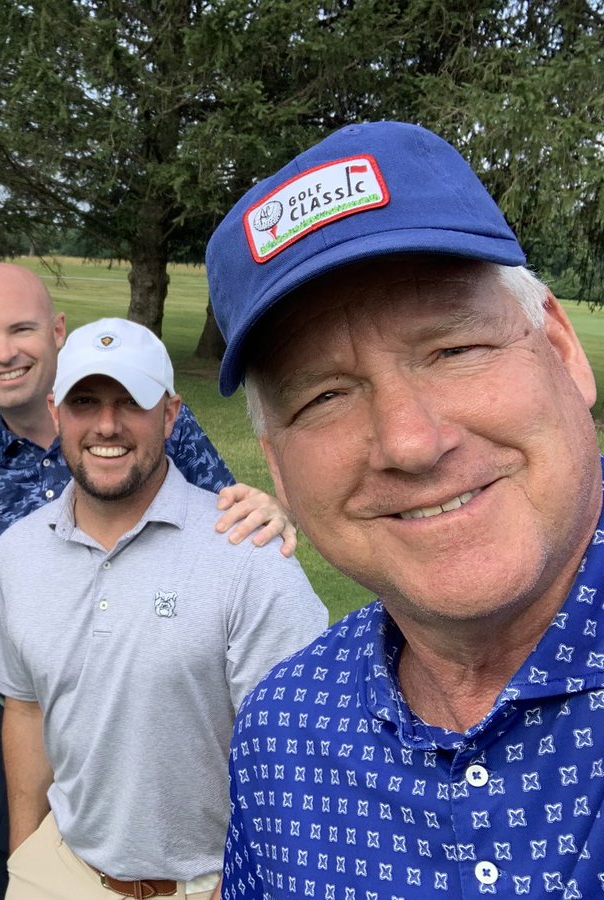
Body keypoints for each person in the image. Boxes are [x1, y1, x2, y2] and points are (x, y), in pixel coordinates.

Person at [205, 121, 604, 896]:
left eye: (453, 349)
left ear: (560, 350)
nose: (411, 441)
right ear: (279, 469)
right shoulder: (283, 734)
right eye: (323, 396)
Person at [0, 264, 299, 899]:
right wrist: (27, 858)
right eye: (86, 403)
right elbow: (2, 667)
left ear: (171, 415)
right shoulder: (1, 518)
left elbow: (293, 741)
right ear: (58, 408)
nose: (106, 425)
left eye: (131, 401)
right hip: (60, 845)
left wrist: (246, 879)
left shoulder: (243, 549)